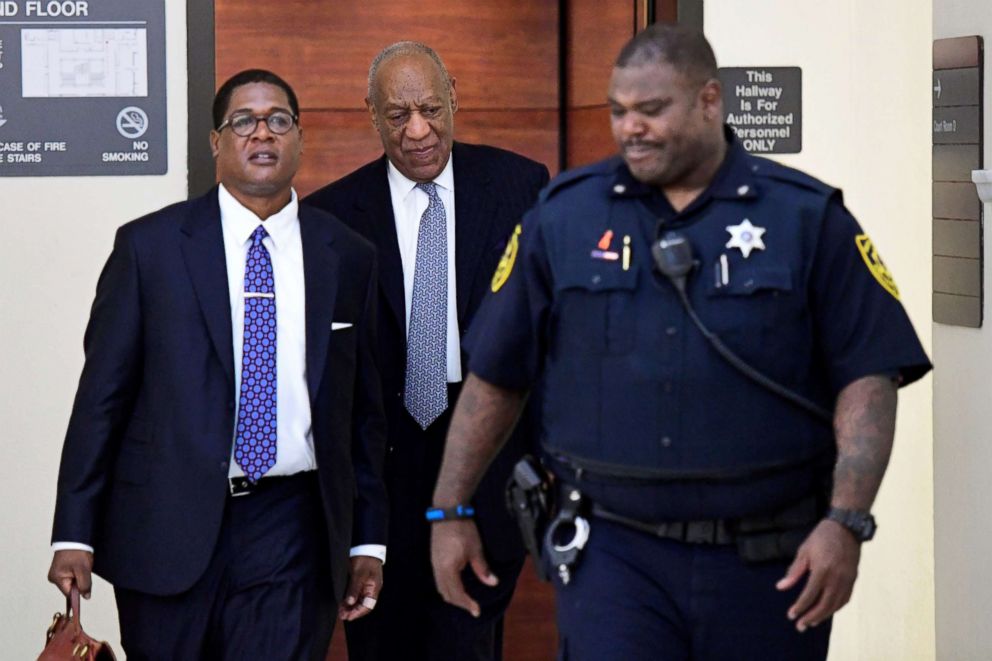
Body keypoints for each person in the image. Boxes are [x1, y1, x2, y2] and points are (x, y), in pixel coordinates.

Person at [430, 24, 931, 661]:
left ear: (710, 101)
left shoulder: (804, 218)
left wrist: (847, 522)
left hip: (769, 561)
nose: (629, 127)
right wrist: (448, 512)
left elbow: (871, 374)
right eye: (618, 111)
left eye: (651, 109)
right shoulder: (564, 217)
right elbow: (497, 377)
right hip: (612, 558)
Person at [47, 69, 388, 660]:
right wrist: (74, 530)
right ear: (216, 142)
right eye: (244, 121)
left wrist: (369, 542)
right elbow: (101, 398)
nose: (263, 134)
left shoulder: (346, 256)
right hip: (164, 524)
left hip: (292, 528)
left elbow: (363, 415)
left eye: (278, 121)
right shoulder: (149, 249)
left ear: (299, 139)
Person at [305, 41, 549, 661]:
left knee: (466, 635)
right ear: (371, 114)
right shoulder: (331, 216)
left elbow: (547, 328)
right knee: (380, 637)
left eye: (431, 109)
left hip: (483, 451)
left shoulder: (519, 186)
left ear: (454, 99)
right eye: (397, 115)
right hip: (380, 461)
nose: (418, 131)